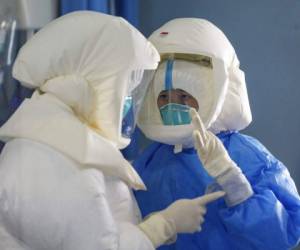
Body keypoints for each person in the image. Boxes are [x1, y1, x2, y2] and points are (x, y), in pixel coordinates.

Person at [0, 12, 225, 250]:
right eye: (126, 88)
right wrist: (164, 225)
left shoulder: (60, 141)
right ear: (100, 83)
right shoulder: (56, 160)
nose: (129, 101)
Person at [134, 18, 300, 250]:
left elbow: (281, 235)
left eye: (183, 95)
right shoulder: (151, 159)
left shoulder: (247, 156)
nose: (171, 106)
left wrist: (234, 183)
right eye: (163, 97)